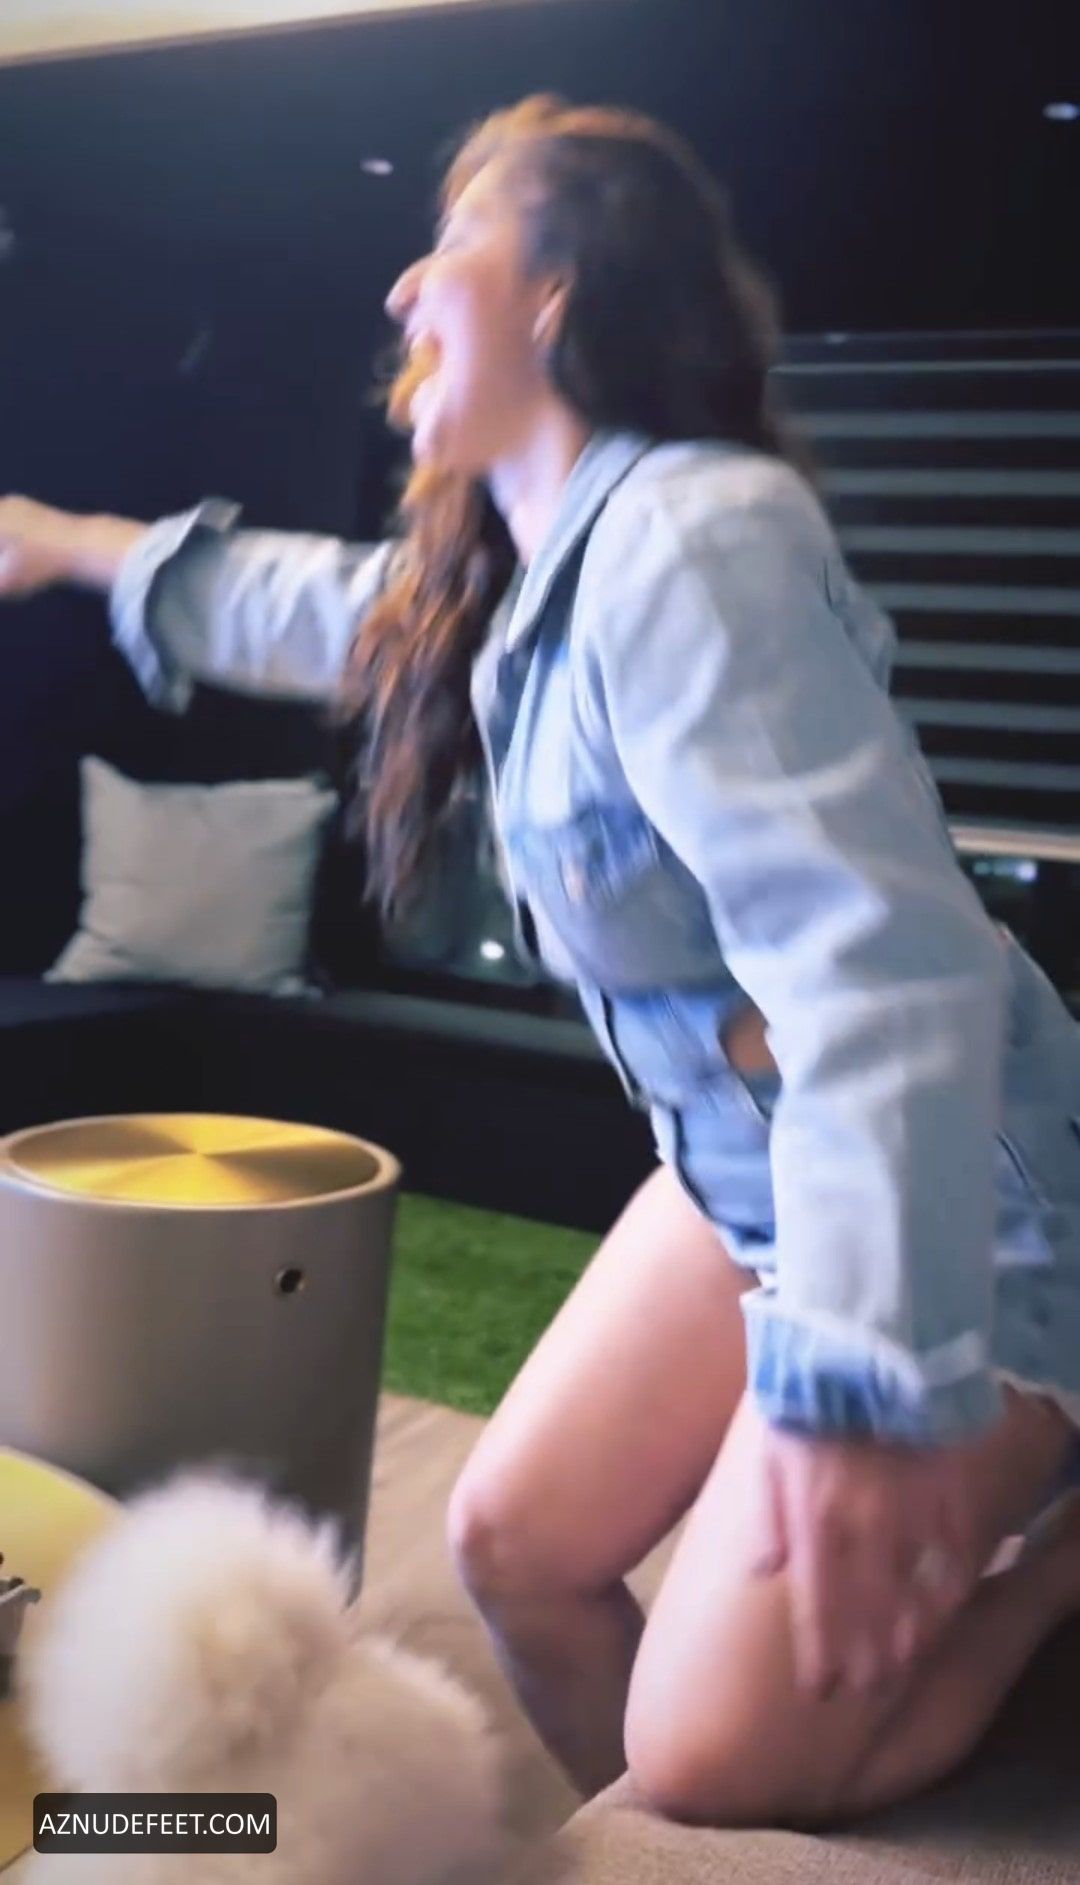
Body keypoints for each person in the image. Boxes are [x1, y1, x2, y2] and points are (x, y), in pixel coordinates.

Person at [3, 94, 1080, 1829]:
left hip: (966, 1200)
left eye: (452, 239)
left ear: (560, 290)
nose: (401, 287)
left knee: (715, 1746)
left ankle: (1050, 1566)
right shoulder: (519, 586)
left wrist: (870, 1383)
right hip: (739, 1175)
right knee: (509, 1544)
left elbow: (880, 967)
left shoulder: (690, 535)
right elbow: (307, 601)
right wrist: (65, 539)